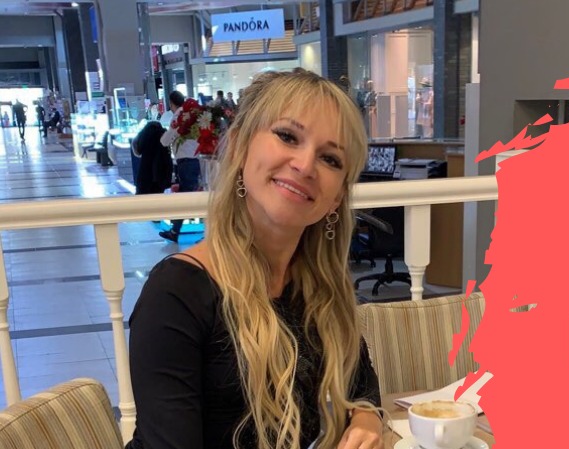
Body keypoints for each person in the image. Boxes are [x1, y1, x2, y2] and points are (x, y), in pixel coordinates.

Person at [126, 69, 384, 449]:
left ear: (337, 198)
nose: (305, 165)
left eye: (330, 159)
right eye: (288, 136)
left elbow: (361, 383)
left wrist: (367, 419)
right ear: (240, 146)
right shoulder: (176, 295)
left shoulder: (318, 286)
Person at [158, 90, 201, 243]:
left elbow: (166, 140)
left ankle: (176, 231)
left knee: (186, 198)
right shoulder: (193, 114)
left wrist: (163, 138)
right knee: (187, 195)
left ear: (171, 103)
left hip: (186, 161)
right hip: (194, 159)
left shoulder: (180, 116)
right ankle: (175, 230)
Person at [132, 121, 173, 195]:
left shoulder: (144, 136)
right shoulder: (163, 135)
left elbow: (137, 150)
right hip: (160, 175)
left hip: (145, 175)